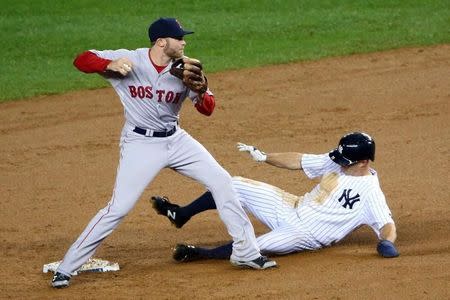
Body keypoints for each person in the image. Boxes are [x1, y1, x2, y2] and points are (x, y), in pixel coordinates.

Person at [51, 17, 275, 289]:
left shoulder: (186, 68)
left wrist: (201, 91)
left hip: (177, 141)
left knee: (222, 181)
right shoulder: (130, 60)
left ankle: (246, 252)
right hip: (140, 144)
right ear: (161, 42)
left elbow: (208, 109)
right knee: (118, 208)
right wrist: (108, 65)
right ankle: (66, 267)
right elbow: (82, 59)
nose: (184, 42)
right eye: (179, 38)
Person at [151, 132, 400, 262]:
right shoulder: (338, 162)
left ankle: (201, 254)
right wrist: (264, 157)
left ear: (365, 161)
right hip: (291, 206)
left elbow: (387, 225)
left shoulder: (370, 191)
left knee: (253, 247)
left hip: (305, 235)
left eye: (346, 162)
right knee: (233, 184)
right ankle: (181, 214)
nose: (339, 164)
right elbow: (300, 160)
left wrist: (386, 243)